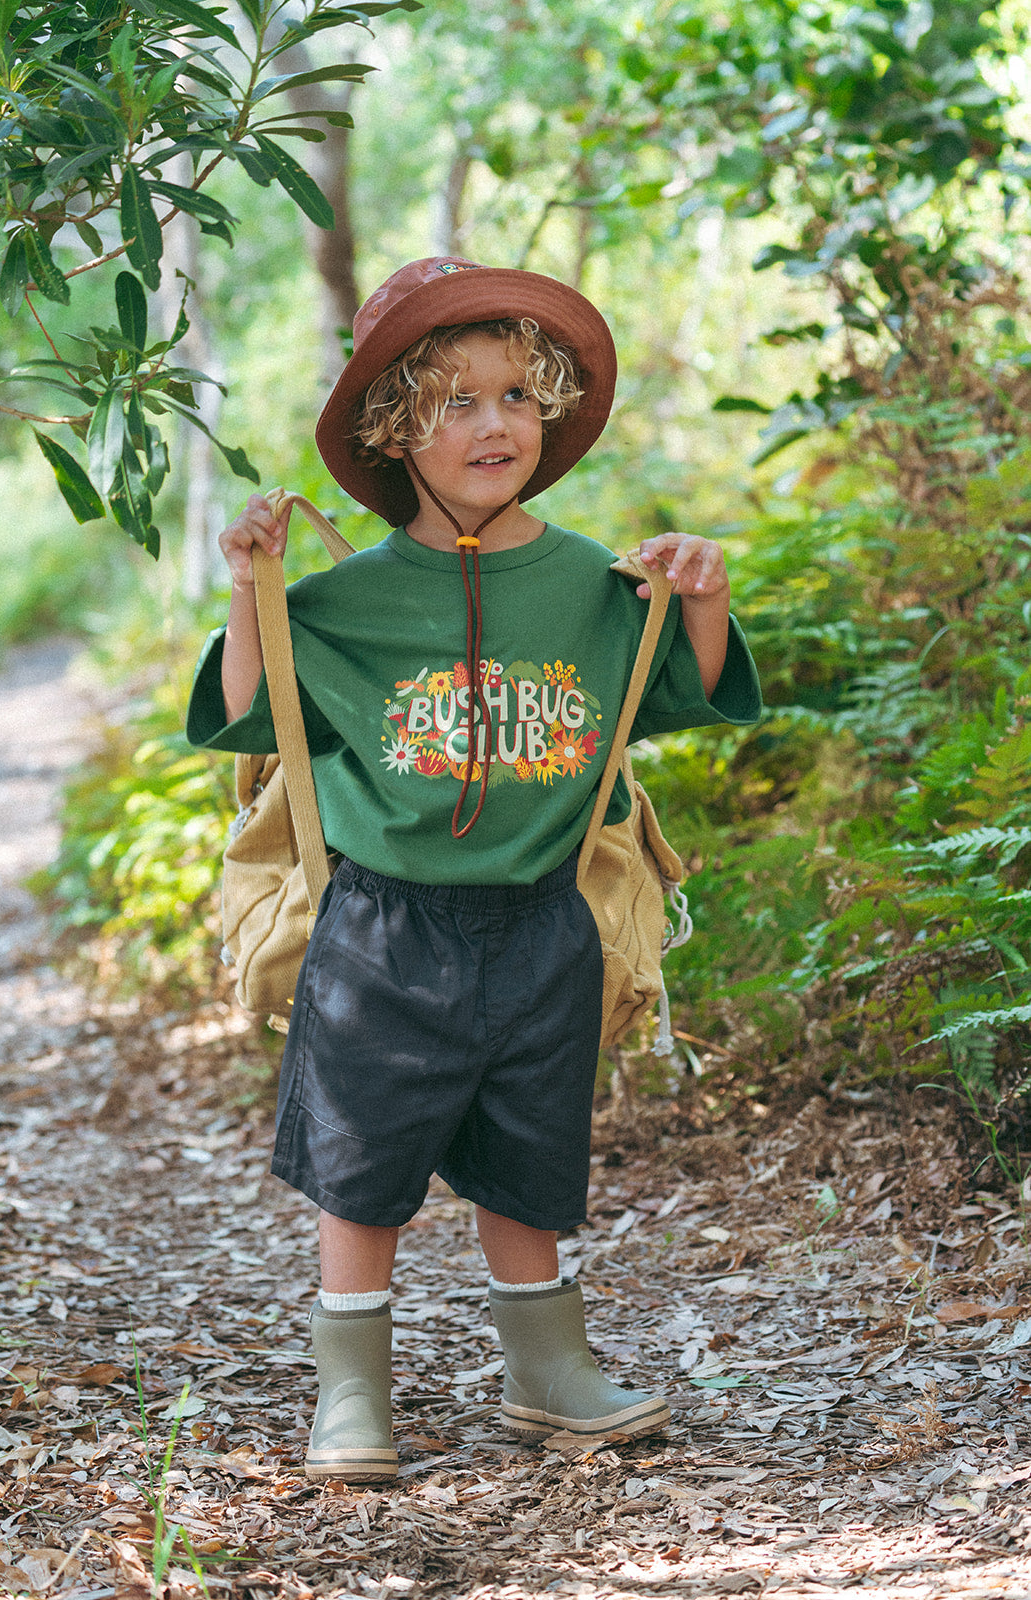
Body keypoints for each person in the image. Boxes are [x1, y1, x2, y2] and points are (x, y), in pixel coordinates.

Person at [187, 257, 762, 1482]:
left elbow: (695, 691)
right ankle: (352, 1392)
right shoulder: (346, 602)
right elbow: (247, 711)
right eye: (452, 401)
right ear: (396, 430)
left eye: (513, 393)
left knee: (529, 1152)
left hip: (540, 919)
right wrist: (251, 590)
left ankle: (547, 1369)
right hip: (382, 928)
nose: (490, 421)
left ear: (545, 409)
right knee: (362, 1164)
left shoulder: (592, 586)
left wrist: (702, 600)